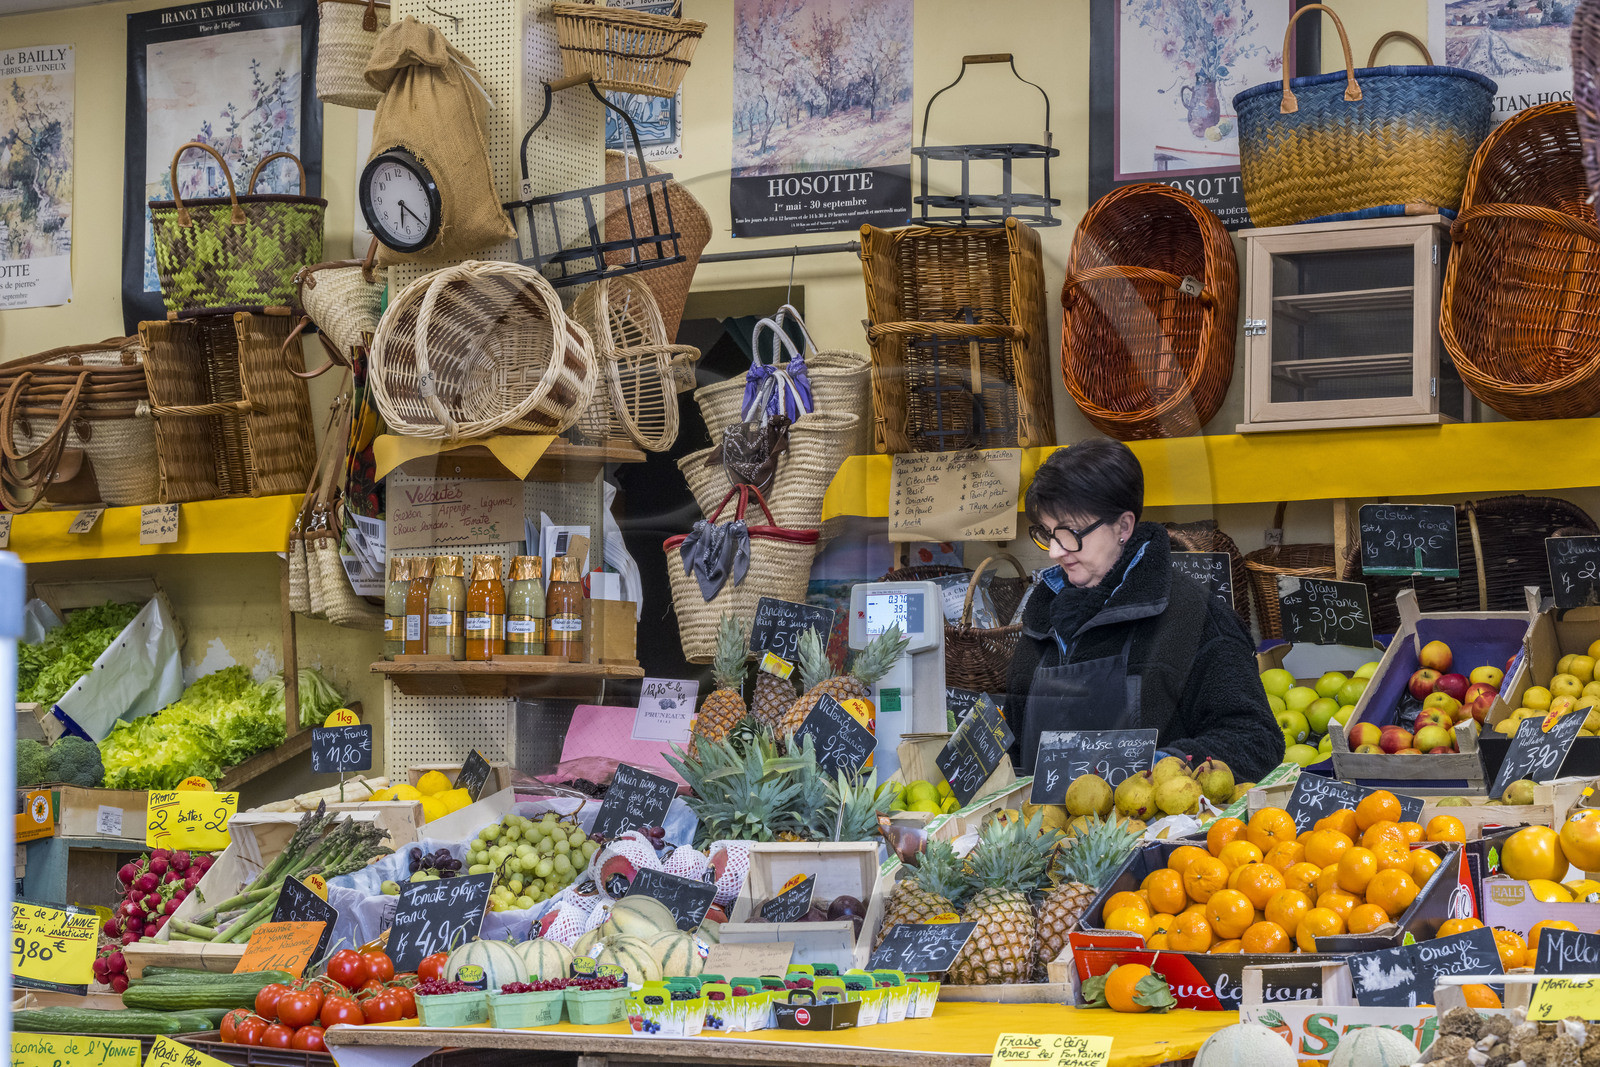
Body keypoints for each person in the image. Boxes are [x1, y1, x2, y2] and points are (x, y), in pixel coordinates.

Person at [1006, 439, 1281, 784]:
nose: (1055, 552)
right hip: (1040, 830)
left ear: (1123, 526)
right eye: (1047, 534)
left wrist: (1164, 766)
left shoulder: (1199, 619)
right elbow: (1015, 733)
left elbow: (1256, 740)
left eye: (1071, 533)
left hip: (1157, 831)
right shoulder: (1043, 616)